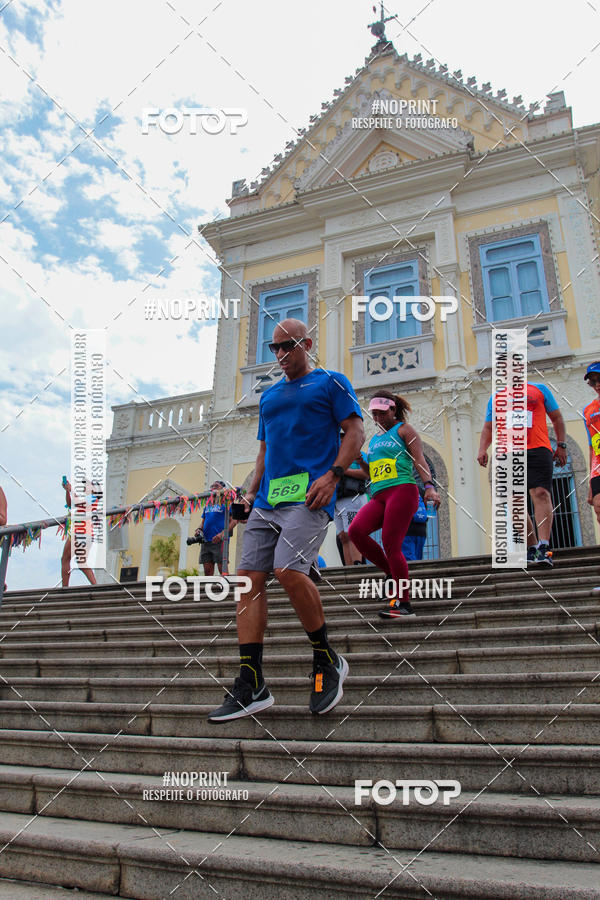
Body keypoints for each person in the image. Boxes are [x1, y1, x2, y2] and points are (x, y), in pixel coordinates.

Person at [208, 318, 364, 722]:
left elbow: (355, 432)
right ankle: (252, 683)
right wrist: (248, 494)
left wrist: (333, 476)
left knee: (287, 568)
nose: (280, 354)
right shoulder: (270, 396)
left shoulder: (332, 382)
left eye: (287, 346)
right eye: (274, 348)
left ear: (306, 344)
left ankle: (326, 658)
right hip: (267, 500)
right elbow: (265, 452)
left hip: (310, 495)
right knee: (248, 581)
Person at [348, 391, 441, 619]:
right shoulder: (374, 440)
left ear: (393, 410)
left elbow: (419, 459)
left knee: (391, 543)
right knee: (355, 531)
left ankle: (404, 604)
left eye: (382, 413)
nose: (378, 418)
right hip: (379, 494)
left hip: (402, 490)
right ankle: (391, 571)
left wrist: (429, 486)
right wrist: (360, 460)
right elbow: (371, 474)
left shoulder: (404, 430)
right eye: (374, 414)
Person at [477, 382, 567, 566]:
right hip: (508, 453)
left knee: (541, 493)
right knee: (514, 502)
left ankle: (544, 547)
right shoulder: (496, 397)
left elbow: (557, 417)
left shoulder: (539, 389)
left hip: (538, 448)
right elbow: (488, 427)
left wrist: (561, 445)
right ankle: (532, 547)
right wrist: (482, 449)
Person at [334, 436, 369, 565]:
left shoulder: (359, 454)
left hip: (353, 497)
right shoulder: (333, 455)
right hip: (337, 500)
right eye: (339, 437)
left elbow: (366, 474)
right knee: (343, 536)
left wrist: (344, 471)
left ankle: (356, 564)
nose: (340, 440)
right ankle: (348, 568)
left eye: (344, 437)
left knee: (351, 534)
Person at [61, 478, 97, 587]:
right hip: (87, 533)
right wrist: (67, 491)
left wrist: (71, 489)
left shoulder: (93, 497)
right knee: (81, 563)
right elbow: (70, 504)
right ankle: (96, 586)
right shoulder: (88, 499)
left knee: (65, 559)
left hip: (81, 531)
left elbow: (77, 503)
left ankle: (64, 588)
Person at [198, 481, 237, 575]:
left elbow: (234, 521)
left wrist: (222, 534)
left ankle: (227, 584)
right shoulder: (208, 505)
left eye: (216, 486)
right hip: (206, 541)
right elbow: (203, 522)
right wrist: (199, 529)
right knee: (207, 571)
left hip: (220, 540)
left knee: (222, 569)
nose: (213, 488)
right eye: (212, 486)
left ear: (223, 489)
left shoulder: (227, 503)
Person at [583, 362, 600, 528]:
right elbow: (591, 446)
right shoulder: (588, 410)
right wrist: (590, 482)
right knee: (598, 507)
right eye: (593, 382)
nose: (597, 385)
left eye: (599, 379)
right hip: (598, 466)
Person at [402, 489, 429, 561]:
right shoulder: (421, 490)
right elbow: (429, 511)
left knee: (408, 560)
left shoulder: (401, 488)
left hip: (406, 531)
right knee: (418, 559)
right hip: (421, 532)